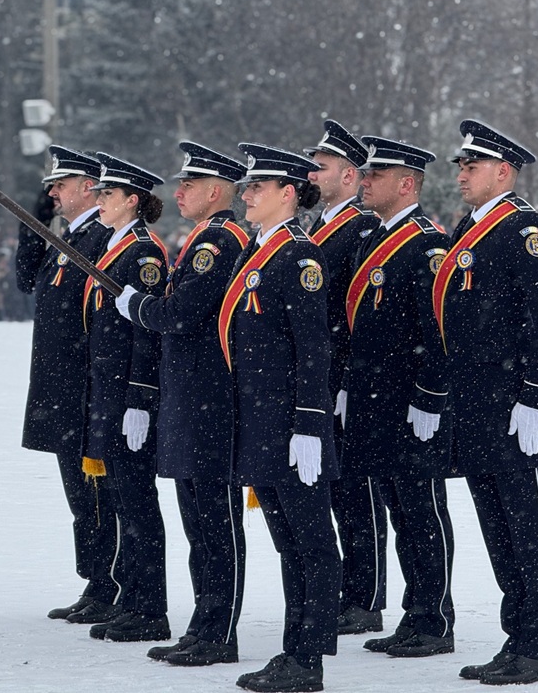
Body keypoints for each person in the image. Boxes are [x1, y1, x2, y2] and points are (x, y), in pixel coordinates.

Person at [436, 120, 538, 685]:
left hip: (513, 406)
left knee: (526, 528)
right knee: (499, 530)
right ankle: (518, 638)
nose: (462, 174)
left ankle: (537, 646)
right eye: (461, 167)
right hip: (476, 407)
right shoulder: (474, 228)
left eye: (472, 166)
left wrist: (536, 394)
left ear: (503, 172)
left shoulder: (520, 227)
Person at [114, 141, 249, 666]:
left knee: (216, 522)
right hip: (192, 399)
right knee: (199, 523)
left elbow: (183, 314)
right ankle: (204, 622)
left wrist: (138, 304)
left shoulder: (218, 242)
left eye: (189, 184)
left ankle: (220, 630)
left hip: (211, 400)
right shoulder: (203, 239)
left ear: (215, 191)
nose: (178, 192)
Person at [222, 144, 340, 693]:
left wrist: (311, 425)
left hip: (292, 428)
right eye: (246, 187)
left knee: (310, 541)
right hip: (264, 425)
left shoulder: (298, 257)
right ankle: (295, 649)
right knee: (288, 542)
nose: (245, 195)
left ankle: (308, 658)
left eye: (257, 188)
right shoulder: (261, 251)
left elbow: (315, 349)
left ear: (288, 194)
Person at [339, 136, 456, 659]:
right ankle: (415, 613)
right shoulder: (375, 237)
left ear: (406, 183)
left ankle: (435, 619)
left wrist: (430, 395)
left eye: (374, 176)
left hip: (410, 403)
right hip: (375, 402)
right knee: (401, 514)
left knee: (422, 511)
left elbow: (439, 329)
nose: (363, 182)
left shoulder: (427, 243)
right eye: (363, 175)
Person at [15, 146, 116, 623]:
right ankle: (95, 580)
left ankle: (108, 582)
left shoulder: (99, 238)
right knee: (80, 497)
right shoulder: (67, 237)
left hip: (83, 389)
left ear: (87, 187)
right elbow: (24, 279)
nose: (52, 192)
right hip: (60, 388)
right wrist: (33, 220)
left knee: (96, 494)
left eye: (60, 184)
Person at [303, 120, 388, 636]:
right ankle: (349, 589)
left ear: (350, 176)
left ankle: (366, 594)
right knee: (336, 492)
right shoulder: (316, 227)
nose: (312, 173)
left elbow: (356, 315)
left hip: (346, 378)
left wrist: (349, 380)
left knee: (359, 494)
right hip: (321, 380)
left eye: (321, 166)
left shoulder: (358, 229)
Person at [83, 152, 170, 644]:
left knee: (138, 505)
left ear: (132, 201)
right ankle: (131, 597)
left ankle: (150, 607)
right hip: (106, 393)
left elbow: (145, 333)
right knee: (120, 500)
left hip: (127, 398)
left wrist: (140, 396)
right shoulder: (110, 245)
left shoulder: (143, 252)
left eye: (107, 194)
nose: (99, 200)